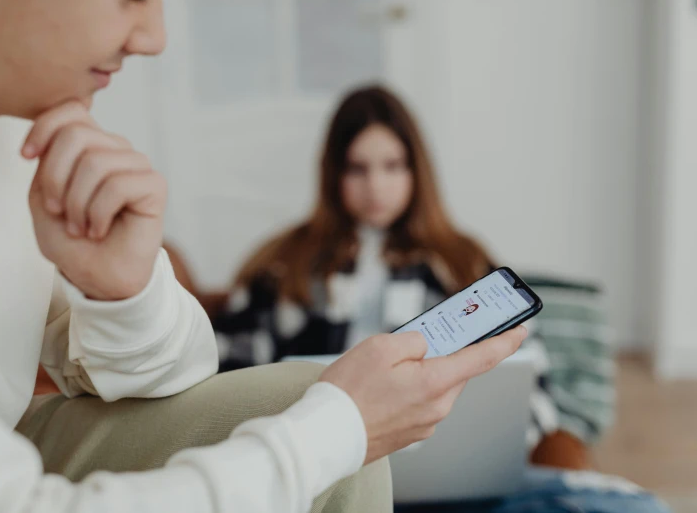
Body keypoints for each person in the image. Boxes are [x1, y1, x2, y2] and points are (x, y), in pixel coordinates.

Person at [0, 0, 527, 513]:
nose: (155, 37)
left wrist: (124, 291)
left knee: (305, 395)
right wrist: (335, 431)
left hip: (10, 444)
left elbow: (180, 378)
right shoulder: (292, 263)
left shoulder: (22, 142)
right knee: (332, 421)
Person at [212, 85, 670, 513]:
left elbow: (527, 385)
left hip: (453, 480)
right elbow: (229, 384)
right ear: (334, 174)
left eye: (393, 166)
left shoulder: (459, 261)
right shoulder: (284, 264)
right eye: (358, 168)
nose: (376, 186)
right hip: (325, 476)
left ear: (417, 170)